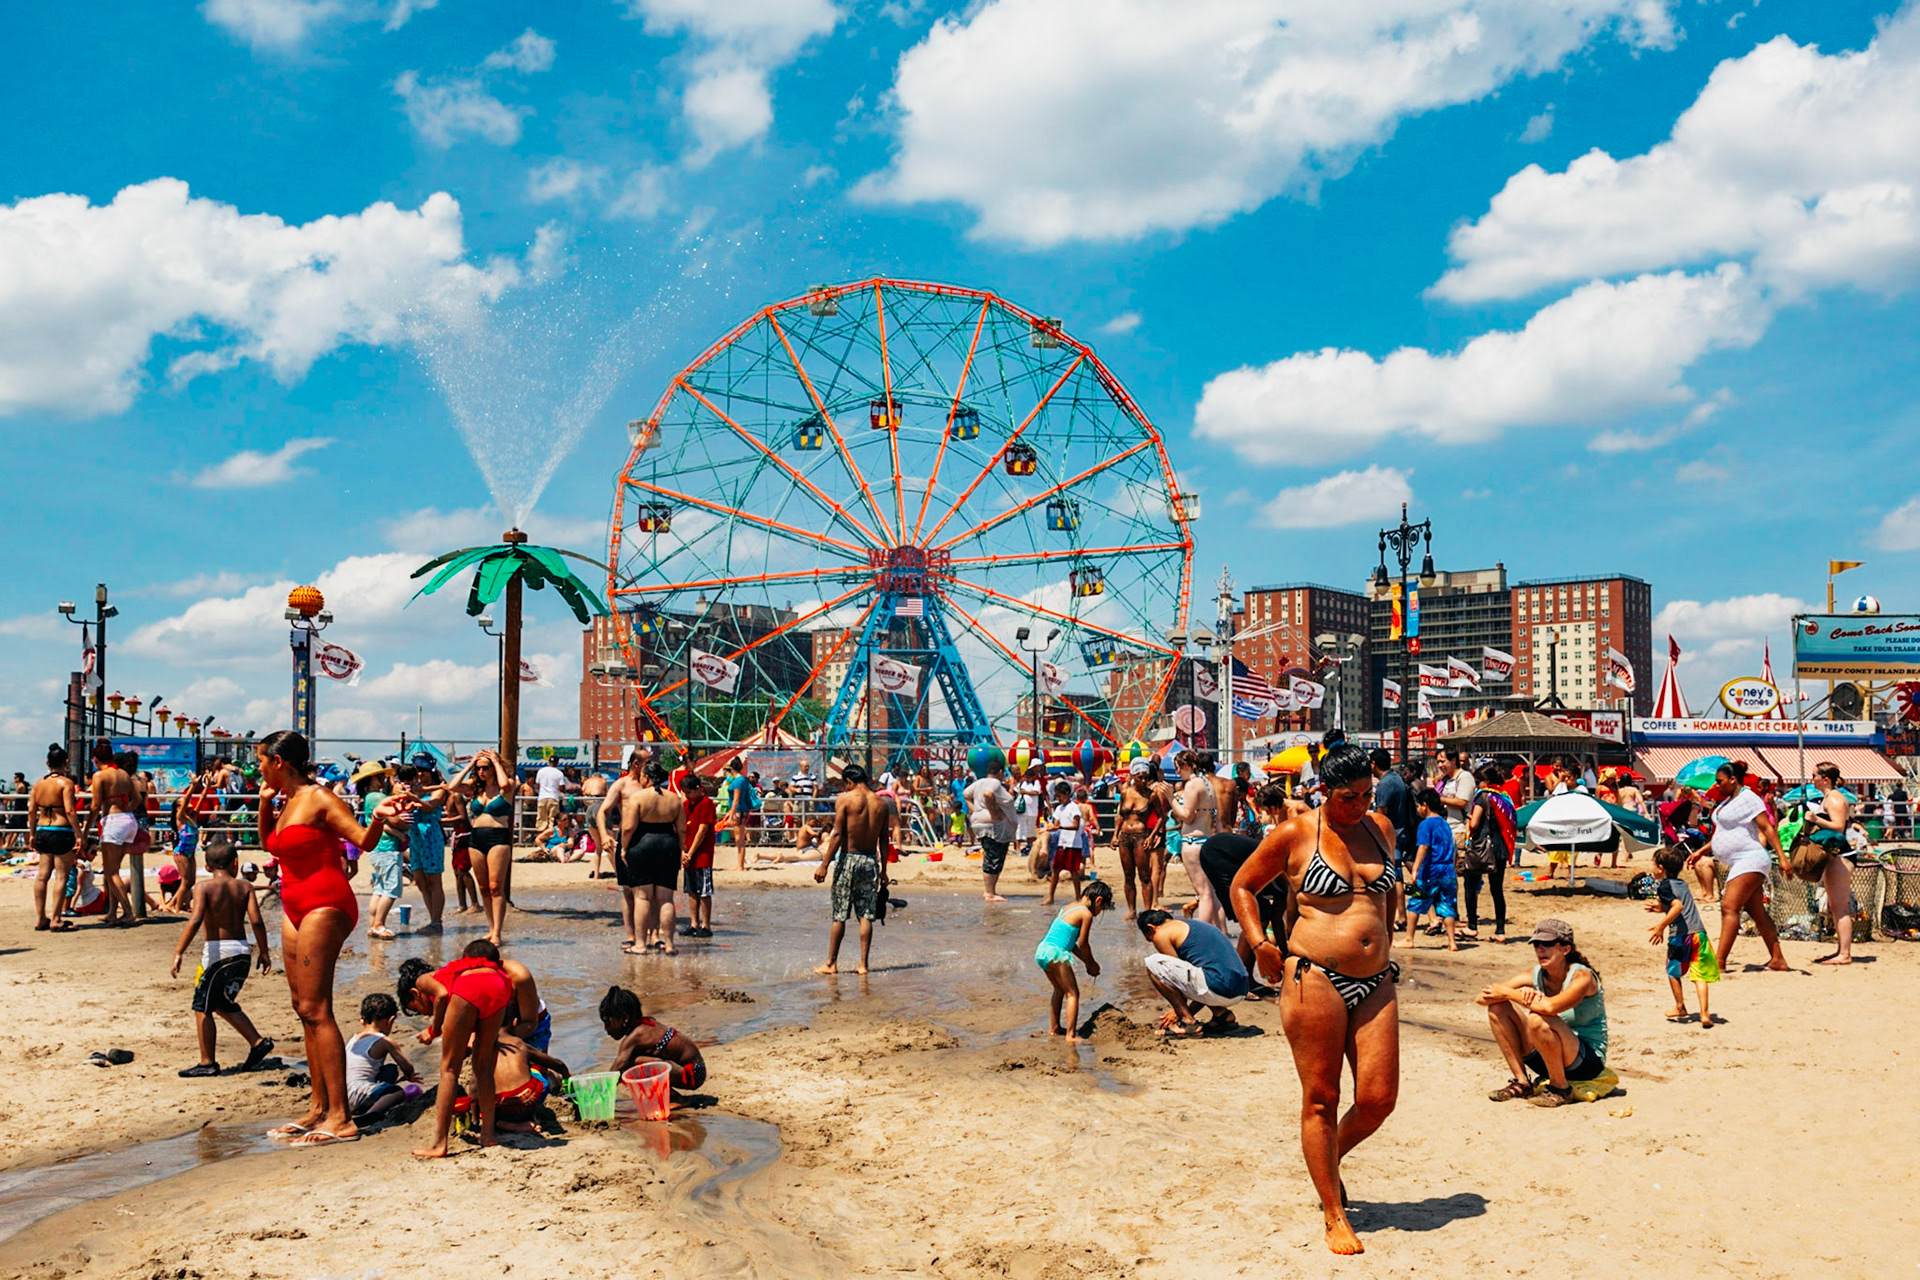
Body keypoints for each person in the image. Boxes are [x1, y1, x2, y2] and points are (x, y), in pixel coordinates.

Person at [1227, 742, 1398, 1256]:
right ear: (1325, 790)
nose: (1360, 805)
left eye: (1367, 795)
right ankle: (1333, 1212)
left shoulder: (1381, 828)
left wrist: (1387, 941)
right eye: (1349, 797)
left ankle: (1328, 1157)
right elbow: (1242, 886)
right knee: (1322, 1097)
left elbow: (1387, 894)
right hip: (1314, 976)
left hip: (1376, 980)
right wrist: (1259, 943)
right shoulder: (1296, 833)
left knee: (1378, 1100)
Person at [256, 729, 409, 1147]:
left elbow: (362, 841)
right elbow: (268, 844)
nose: (259, 769)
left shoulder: (321, 798)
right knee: (302, 1008)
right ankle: (318, 1107)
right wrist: (264, 804)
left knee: (316, 1007)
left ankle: (341, 1117)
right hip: (294, 906)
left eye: (262, 761)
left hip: (326, 902)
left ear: (279, 762)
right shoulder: (285, 801)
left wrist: (378, 818)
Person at [170, 837, 276, 1077]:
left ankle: (207, 1062)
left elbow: (195, 919)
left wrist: (179, 951)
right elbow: (257, 921)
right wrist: (264, 952)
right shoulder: (245, 887)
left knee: (202, 1006)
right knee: (220, 1002)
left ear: (207, 866)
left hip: (218, 955)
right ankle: (258, 1042)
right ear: (235, 863)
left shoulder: (203, 887)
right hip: (242, 952)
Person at [1479, 918, 1609, 1108]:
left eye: (1547, 944)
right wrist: (1519, 994)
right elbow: (1481, 998)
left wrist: (1513, 994)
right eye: (1536, 945)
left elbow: (1550, 1008)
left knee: (1537, 1018)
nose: (1541, 950)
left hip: (1585, 1062)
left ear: (1566, 949)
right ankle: (1521, 1082)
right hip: (1548, 1056)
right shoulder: (1535, 974)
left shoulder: (1583, 976)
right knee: (1497, 1007)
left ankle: (1560, 1088)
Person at [398, 949, 514, 1158]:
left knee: (449, 1069)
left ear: (415, 993)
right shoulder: (452, 973)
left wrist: (433, 1030)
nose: (423, 1013)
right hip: (498, 982)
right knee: (484, 1065)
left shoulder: (423, 981)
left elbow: (441, 994)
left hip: (470, 988)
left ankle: (439, 1144)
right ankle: (488, 1135)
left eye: (416, 1009)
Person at [1707, 762, 1789, 972]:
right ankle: (1777, 959)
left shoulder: (1749, 798)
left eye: (1720, 781)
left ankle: (1719, 962)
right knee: (1757, 912)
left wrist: (1782, 858)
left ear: (1732, 779)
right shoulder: (1728, 801)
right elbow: (1725, 832)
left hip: (1750, 859)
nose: (1717, 785)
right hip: (1740, 861)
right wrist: (1701, 851)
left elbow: (1767, 828)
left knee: (1729, 907)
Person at [813, 764, 892, 975]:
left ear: (849, 781)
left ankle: (831, 964)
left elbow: (838, 834)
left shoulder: (845, 799)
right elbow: (884, 840)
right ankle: (863, 965)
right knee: (866, 914)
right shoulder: (881, 804)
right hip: (870, 860)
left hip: (848, 859)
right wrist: (884, 870)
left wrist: (824, 865)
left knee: (839, 914)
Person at [1138, 907, 1248, 1036]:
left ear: (1151, 928)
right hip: (1240, 989)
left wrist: (1180, 1013)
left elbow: (1176, 980)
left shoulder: (1162, 933)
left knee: (1153, 963)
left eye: (1150, 939)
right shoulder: (1194, 926)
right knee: (1202, 970)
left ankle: (1188, 1022)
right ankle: (1222, 1015)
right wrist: (1186, 1010)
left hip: (1219, 987)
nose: (1153, 942)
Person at [613, 760, 685, 955]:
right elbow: (681, 829)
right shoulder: (674, 798)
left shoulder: (638, 798)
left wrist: (624, 848)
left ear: (646, 777)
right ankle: (669, 944)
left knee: (642, 897)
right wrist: (681, 849)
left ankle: (640, 944)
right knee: (666, 898)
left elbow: (628, 827)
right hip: (668, 844)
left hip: (642, 845)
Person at [1647, 846, 1718, 1029]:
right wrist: (1661, 908)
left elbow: (1677, 906)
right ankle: (1704, 1014)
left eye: (1653, 864)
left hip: (1680, 935)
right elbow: (1679, 905)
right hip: (1699, 934)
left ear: (1660, 868)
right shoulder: (1682, 884)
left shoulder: (1664, 887)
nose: (1652, 867)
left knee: (1673, 971)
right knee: (1700, 975)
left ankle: (1680, 1006)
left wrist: (1660, 927)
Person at [1035, 878, 1112, 1040]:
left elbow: (1071, 944)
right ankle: (1070, 1036)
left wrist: (1086, 962)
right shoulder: (1086, 914)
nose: (1099, 913)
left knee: (1059, 990)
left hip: (1043, 950)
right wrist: (1091, 963)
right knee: (1073, 994)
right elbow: (1083, 943)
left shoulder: (1068, 907)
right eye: (1102, 908)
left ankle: (1055, 1028)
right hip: (1056, 954)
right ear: (1098, 900)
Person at [453, 750, 517, 946]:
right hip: (476, 838)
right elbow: (452, 786)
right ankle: (490, 929)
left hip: (498, 837)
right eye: (479, 768)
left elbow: (505, 785)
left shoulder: (508, 784)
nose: (481, 771)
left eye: (485, 767)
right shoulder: (475, 787)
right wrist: (470, 764)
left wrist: (496, 762)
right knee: (483, 888)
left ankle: (497, 932)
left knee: (495, 886)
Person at [601, 985, 707, 1091]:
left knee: (632, 1063)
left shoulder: (636, 1035)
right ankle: (669, 1095)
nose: (605, 1028)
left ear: (625, 1018)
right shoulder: (645, 1025)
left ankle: (674, 1098)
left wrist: (603, 1090)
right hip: (696, 1070)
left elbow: (619, 1065)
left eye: (607, 1022)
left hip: (692, 1073)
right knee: (631, 1061)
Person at [1805, 761, 1858, 966]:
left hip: (1841, 856)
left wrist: (1816, 819)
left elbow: (1839, 827)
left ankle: (1845, 953)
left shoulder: (1835, 798)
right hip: (1834, 855)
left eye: (1815, 776)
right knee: (1835, 906)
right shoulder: (1828, 797)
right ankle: (1840, 950)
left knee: (1840, 905)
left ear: (1825, 779)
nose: (1812, 779)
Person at [1461, 763, 1517, 944]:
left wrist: (1468, 820)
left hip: (1482, 847)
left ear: (1485, 781)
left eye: (1477, 781)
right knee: (1497, 889)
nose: (1476, 785)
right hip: (1500, 848)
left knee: (1470, 884)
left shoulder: (1483, 796)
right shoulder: (1503, 797)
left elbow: (1474, 823)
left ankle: (1471, 926)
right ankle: (1500, 931)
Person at [345, 993, 424, 1120]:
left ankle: (365, 1108)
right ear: (390, 1020)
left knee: (390, 1070)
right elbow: (406, 1066)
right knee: (396, 1092)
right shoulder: (385, 1041)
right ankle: (370, 1115)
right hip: (359, 1092)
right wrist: (409, 1075)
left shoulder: (353, 1040)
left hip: (343, 1096)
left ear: (362, 1020)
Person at [28, 744, 79, 932]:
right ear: (66, 762)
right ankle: (56, 919)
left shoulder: (38, 784)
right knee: (62, 876)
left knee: (42, 876)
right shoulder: (66, 783)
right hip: (61, 830)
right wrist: (79, 834)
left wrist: (32, 833)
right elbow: (70, 811)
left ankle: (41, 918)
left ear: (47, 763)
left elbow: (31, 811)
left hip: (42, 830)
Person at [354, 762, 407, 941]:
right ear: (374, 778)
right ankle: (379, 924)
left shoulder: (368, 797)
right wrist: (404, 826)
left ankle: (373, 925)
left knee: (380, 889)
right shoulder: (378, 796)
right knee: (391, 888)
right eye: (382, 776)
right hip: (387, 847)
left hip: (377, 848)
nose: (384, 779)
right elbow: (394, 820)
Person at [1170, 750, 1223, 926]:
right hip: (1206, 839)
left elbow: (1188, 816)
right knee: (1211, 892)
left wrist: (1171, 799)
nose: (1177, 772)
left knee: (1204, 893)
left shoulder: (1193, 784)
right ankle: (1221, 931)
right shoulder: (1208, 784)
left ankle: (1202, 931)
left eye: (1178, 768)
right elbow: (1215, 818)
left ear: (1186, 765)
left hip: (1193, 841)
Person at [88, 742, 138, 927]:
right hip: (128, 820)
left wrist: (85, 830)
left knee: (110, 872)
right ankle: (112, 912)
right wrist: (127, 810)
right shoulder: (124, 774)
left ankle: (127, 911)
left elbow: (95, 805)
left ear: (95, 759)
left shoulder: (99, 776)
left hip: (113, 821)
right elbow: (138, 799)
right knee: (113, 869)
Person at [1402, 789, 1458, 951]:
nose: (1418, 809)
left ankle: (1409, 939)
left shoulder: (1426, 824)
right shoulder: (1444, 823)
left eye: (1418, 806)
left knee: (1415, 902)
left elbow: (1423, 847)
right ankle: (1452, 942)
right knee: (1447, 905)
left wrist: (1415, 869)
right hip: (1447, 870)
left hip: (1430, 870)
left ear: (1424, 805)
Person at [400, 764, 448, 930]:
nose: (420, 774)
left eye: (423, 771)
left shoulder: (438, 790)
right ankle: (432, 918)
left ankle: (436, 921)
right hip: (415, 838)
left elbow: (430, 807)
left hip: (430, 836)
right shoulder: (414, 788)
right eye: (418, 771)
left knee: (434, 880)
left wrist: (414, 799)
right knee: (420, 881)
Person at [1113, 760, 1161, 917]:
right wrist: (1115, 834)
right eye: (1140, 777)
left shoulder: (1151, 795)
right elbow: (1121, 815)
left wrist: (1152, 835)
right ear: (1133, 776)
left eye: (1146, 777)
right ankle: (1132, 910)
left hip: (1141, 835)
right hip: (1125, 836)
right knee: (1128, 875)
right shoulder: (1125, 793)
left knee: (1144, 876)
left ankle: (1147, 910)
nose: (1144, 781)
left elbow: (1162, 817)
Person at [964, 756, 1016, 904]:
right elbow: (988, 794)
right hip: (993, 826)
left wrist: (975, 810)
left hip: (981, 823)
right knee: (993, 858)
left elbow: (966, 794)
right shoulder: (994, 783)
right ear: (1000, 772)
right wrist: (993, 812)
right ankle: (990, 893)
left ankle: (990, 890)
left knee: (992, 856)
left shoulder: (979, 782)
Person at [676, 772, 717, 938]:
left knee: (704, 892)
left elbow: (703, 830)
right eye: (685, 793)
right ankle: (694, 924)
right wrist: (683, 852)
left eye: (689, 792)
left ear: (698, 789)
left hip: (702, 855)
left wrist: (690, 852)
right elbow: (681, 829)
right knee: (691, 891)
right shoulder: (687, 806)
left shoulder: (707, 804)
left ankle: (706, 925)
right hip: (688, 855)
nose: (687, 796)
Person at [1044, 779, 1087, 906]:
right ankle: (1051, 897)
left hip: (1073, 844)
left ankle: (1078, 897)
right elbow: (1056, 823)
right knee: (1055, 870)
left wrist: (1060, 827)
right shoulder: (1059, 808)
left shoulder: (1074, 808)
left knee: (1074, 871)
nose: (1059, 799)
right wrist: (1051, 828)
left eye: (1060, 796)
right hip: (1062, 843)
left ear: (1067, 794)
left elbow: (1075, 825)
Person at [722, 759, 756, 870]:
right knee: (740, 838)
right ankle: (740, 864)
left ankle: (740, 865)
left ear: (731, 768)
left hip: (738, 811)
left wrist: (731, 814)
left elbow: (736, 799)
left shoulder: (737, 781)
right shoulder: (744, 780)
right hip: (743, 810)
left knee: (739, 839)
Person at [533, 757, 566, 845]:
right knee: (552, 820)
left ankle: (540, 841)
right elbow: (562, 787)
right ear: (557, 763)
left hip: (542, 797)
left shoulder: (541, 771)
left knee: (541, 819)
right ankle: (550, 840)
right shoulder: (559, 773)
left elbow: (537, 785)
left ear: (548, 762)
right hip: (553, 797)